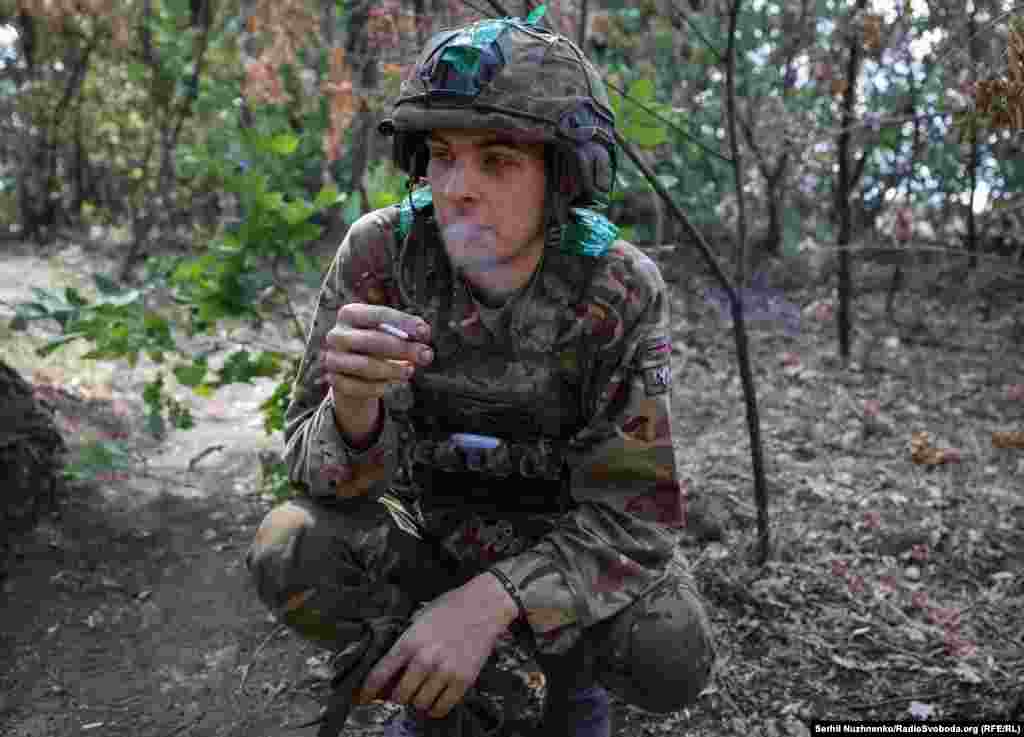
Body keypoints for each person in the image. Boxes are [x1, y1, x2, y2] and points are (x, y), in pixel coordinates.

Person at [246, 12, 716, 737]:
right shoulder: (381, 255)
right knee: (290, 544)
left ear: (563, 178)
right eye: (441, 155)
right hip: (425, 536)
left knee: (668, 644)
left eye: (498, 160)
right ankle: (432, 679)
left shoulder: (615, 286)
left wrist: (493, 600)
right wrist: (354, 409)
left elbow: (637, 516)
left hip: (561, 548)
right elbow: (311, 475)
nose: (459, 187)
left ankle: (567, 678)